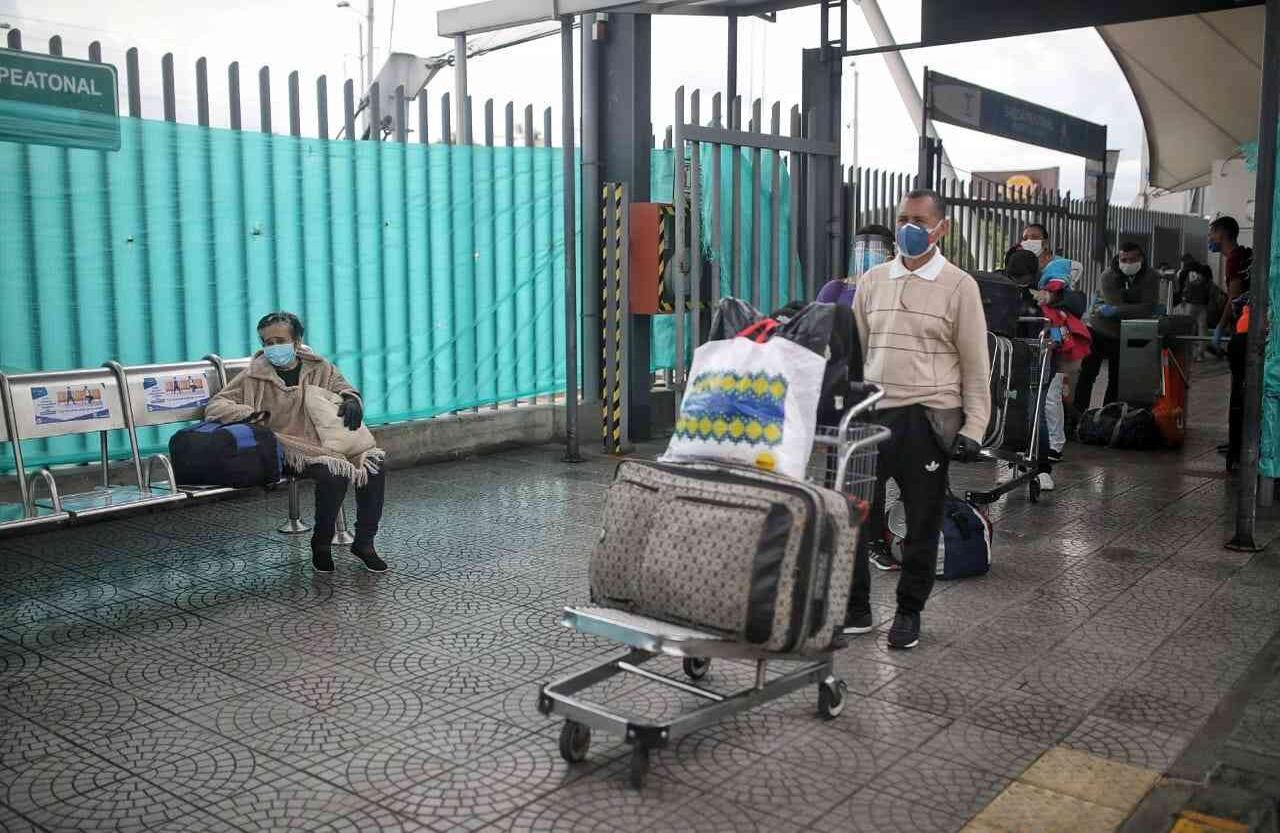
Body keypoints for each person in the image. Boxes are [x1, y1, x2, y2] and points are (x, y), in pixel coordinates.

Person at [843, 189, 990, 650]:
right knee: (852, 518)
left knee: (921, 521)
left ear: (940, 228)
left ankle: (908, 612)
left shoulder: (959, 285)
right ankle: (856, 608)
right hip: (873, 415)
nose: (909, 227)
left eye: (920, 220)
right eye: (903, 217)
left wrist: (973, 427)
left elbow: (975, 363)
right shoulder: (872, 281)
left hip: (928, 418)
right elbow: (857, 352)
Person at [206, 311, 389, 574]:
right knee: (332, 473)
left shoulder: (320, 367)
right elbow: (216, 406)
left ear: (297, 341)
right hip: (284, 448)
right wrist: (251, 415)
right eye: (267, 342)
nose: (273, 348)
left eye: (279, 340)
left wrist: (351, 400)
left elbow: (345, 389)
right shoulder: (253, 376)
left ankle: (365, 543)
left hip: (326, 443)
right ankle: (321, 544)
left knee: (375, 466)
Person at [1074, 242, 1161, 413]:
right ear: (1118, 258)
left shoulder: (1150, 276)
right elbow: (1125, 308)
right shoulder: (1109, 275)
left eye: (1132, 259)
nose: (1128, 263)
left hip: (1124, 333)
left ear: (1141, 259)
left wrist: (1122, 310)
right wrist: (1135, 308)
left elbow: (1148, 307)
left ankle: (1108, 415)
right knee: (1088, 374)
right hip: (1099, 329)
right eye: (1124, 259)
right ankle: (1078, 413)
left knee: (1116, 378)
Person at [1208, 217, 1254, 470]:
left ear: (1222, 233)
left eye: (1212, 233)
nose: (1209, 239)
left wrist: (1221, 325)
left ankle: (1236, 450)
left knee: (1239, 393)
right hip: (1245, 328)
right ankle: (1237, 444)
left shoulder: (1235, 259)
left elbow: (1234, 297)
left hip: (1243, 331)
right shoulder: (1242, 257)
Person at [817, 224, 895, 307]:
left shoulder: (896, 292)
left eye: (873, 250)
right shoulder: (835, 290)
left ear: (891, 258)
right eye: (861, 250)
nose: (865, 255)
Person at [1177, 253, 1214, 361]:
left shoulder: (1184, 271)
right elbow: (1210, 285)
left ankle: (1188, 353)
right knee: (1202, 329)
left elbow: (1180, 286)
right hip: (1202, 303)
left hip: (1189, 303)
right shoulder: (1205, 269)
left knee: (1189, 329)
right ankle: (1200, 354)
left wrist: (1181, 298)